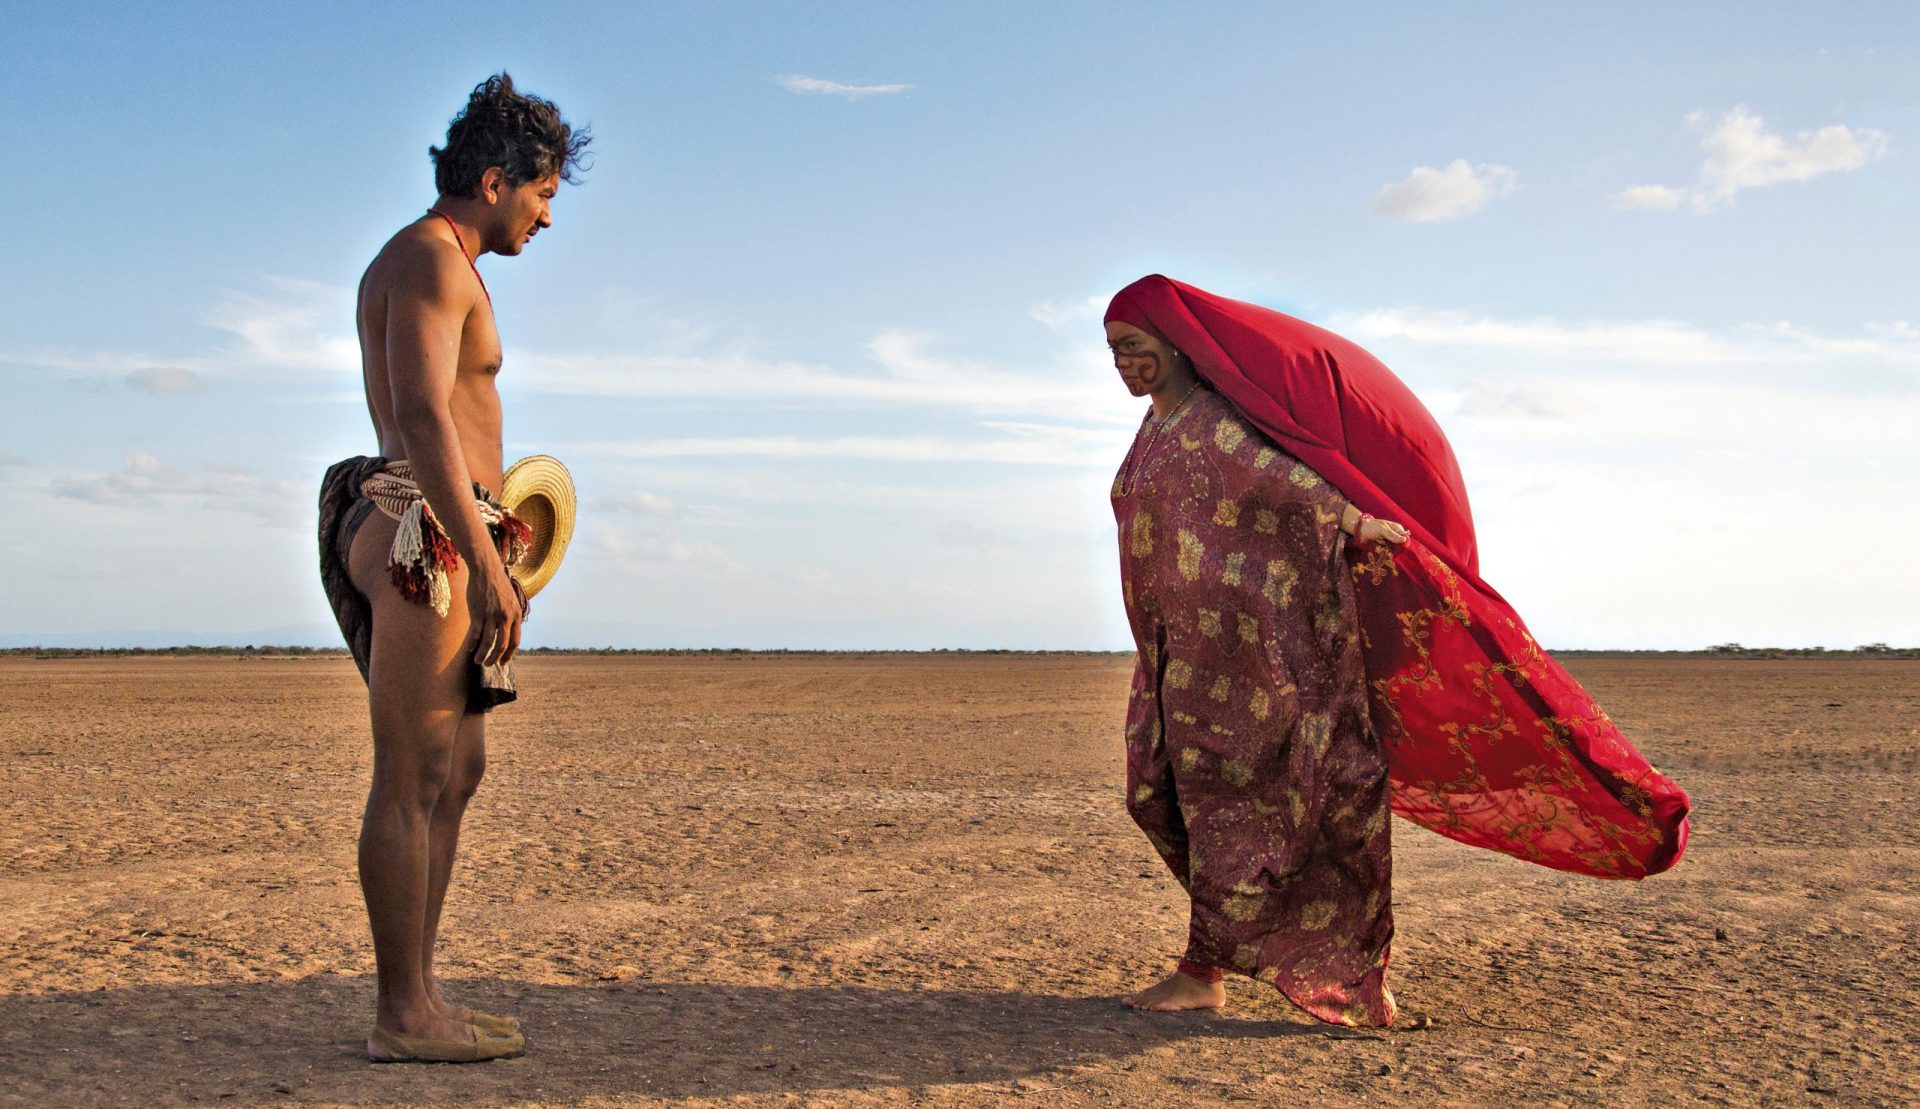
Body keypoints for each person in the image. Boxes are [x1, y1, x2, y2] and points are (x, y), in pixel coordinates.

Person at [1104, 275, 1691, 1028]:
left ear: (1177, 345)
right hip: (1176, 658)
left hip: (1250, 661)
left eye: (1135, 348)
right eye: (1114, 351)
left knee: (1244, 808)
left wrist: (1353, 519)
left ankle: (1226, 967)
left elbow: (1282, 482)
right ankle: (1221, 953)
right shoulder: (1154, 430)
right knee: (1158, 794)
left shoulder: (1213, 424)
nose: (1123, 363)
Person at [317, 73, 589, 1063]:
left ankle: (422, 994)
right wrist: (483, 560)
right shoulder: (432, 262)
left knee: (457, 769)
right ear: (492, 178)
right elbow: (427, 413)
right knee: (413, 771)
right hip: (424, 535)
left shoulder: (435, 261)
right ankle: (402, 1013)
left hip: (444, 523)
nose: (547, 216)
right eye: (543, 194)